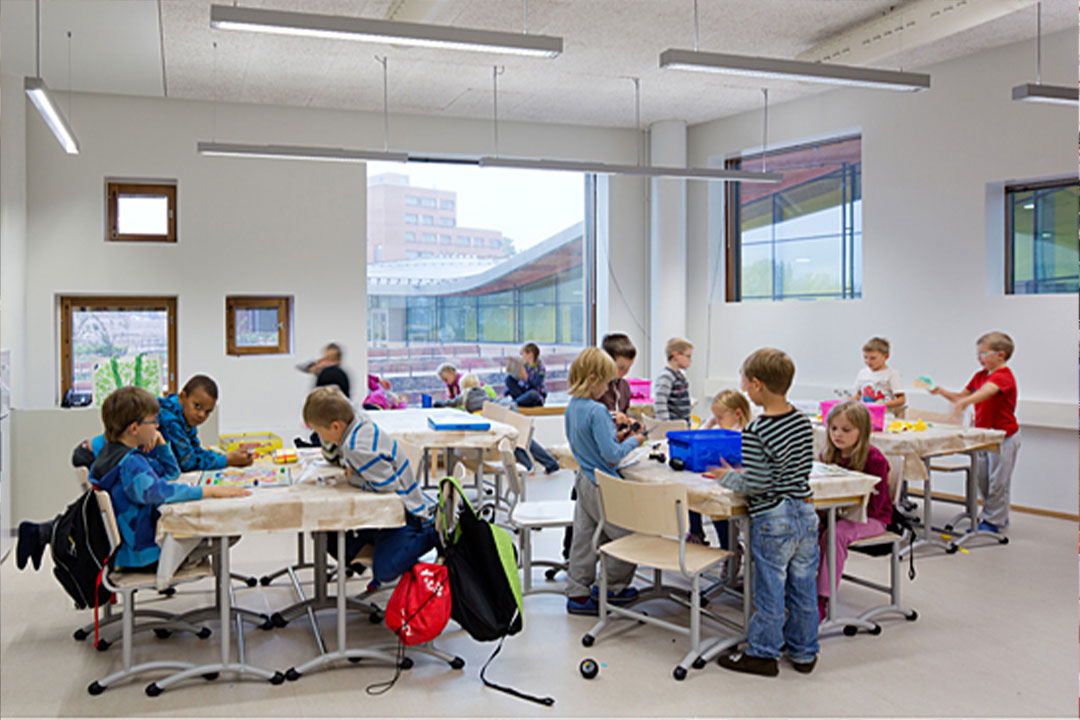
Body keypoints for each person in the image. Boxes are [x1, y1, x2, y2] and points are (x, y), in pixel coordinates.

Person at [17, 387, 249, 572]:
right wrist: (211, 492)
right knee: (224, 534)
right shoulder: (131, 463)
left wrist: (159, 443)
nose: (158, 426)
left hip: (128, 549)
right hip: (143, 555)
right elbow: (159, 492)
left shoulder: (116, 455)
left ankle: (41, 533)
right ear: (135, 428)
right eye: (153, 423)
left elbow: (170, 473)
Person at [714, 348, 818, 676]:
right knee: (803, 586)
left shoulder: (757, 430)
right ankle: (804, 651)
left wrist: (727, 477)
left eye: (745, 382)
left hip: (773, 518)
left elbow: (757, 484)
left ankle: (763, 653)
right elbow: (791, 469)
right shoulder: (802, 420)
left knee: (770, 588)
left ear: (757, 384)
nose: (744, 388)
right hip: (804, 511)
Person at [302, 387, 436, 586]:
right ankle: (385, 544)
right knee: (332, 539)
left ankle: (433, 534)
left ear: (336, 426)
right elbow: (332, 458)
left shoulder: (356, 447)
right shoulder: (355, 420)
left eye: (319, 431)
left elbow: (388, 484)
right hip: (385, 509)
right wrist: (329, 443)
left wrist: (353, 479)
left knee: (384, 571)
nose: (317, 435)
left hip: (407, 513)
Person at [563, 348, 645, 616]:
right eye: (608, 383)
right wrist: (635, 441)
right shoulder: (598, 411)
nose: (610, 388)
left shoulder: (573, 407)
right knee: (628, 538)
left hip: (583, 479)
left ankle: (577, 591)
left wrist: (613, 440)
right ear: (593, 379)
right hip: (602, 485)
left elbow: (590, 445)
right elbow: (610, 457)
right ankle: (611, 588)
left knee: (584, 540)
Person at [930, 331, 1020, 534]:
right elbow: (961, 396)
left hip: (1003, 437)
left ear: (1001, 355)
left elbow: (986, 392)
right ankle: (995, 516)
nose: (980, 359)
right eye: (978, 355)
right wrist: (939, 390)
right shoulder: (980, 376)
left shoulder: (1003, 376)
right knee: (984, 481)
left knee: (999, 482)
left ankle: (994, 522)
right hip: (983, 436)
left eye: (984, 354)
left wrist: (965, 402)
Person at [816, 401, 892, 621]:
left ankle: (823, 598)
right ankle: (801, 587)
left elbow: (875, 506)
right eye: (833, 429)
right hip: (836, 514)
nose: (838, 435)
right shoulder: (828, 455)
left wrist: (835, 515)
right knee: (807, 527)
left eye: (846, 430)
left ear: (862, 431)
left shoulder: (875, 460)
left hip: (872, 518)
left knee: (835, 534)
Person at [688, 389, 751, 548]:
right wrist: (709, 423)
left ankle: (730, 548)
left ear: (737, 414)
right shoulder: (721, 432)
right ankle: (696, 533)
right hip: (722, 479)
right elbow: (696, 441)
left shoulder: (742, 434)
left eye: (720, 418)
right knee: (692, 493)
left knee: (717, 506)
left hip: (737, 486)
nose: (718, 422)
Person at [159, 375, 253, 471]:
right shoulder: (170, 420)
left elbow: (196, 451)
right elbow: (187, 463)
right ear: (182, 397)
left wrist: (227, 456)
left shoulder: (187, 418)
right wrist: (228, 460)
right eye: (197, 406)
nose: (201, 415)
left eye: (207, 412)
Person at [851, 337, 906, 418]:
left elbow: (901, 399)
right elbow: (859, 395)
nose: (868, 361)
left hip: (886, 416)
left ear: (886, 356)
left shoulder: (892, 374)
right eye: (865, 357)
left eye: (873, 358)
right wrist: (850, 400)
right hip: (865, 415)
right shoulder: (862, 373)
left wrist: (882, 404)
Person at [597, 333, 637, 441]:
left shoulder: (624, 386)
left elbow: (623, 412)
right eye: (621, 367)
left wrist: (629, 422)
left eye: (629, 367)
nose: (625, 371)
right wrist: (613, 416)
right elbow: (589, 416)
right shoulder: (596, 387)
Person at [654, 337, 693, 423]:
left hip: (682, 426)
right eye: (688, 356)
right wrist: (665, 424)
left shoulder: (681, 377)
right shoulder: (666, 376)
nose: (690, 360)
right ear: (676, 355)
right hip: (672, 427)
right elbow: (660, 403)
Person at [505, 343, 547, 408]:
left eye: (523, 354)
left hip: (534, 396)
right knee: (508, 378)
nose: (522, 357)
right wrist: (505, 394)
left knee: (533, 393)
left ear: (530, 354)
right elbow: (517, 384)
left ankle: (513, 403)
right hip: (523, 394)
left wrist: (525, 376)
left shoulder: (540, 368)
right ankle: (518, 401)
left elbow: (535, 386)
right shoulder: (524, 366)